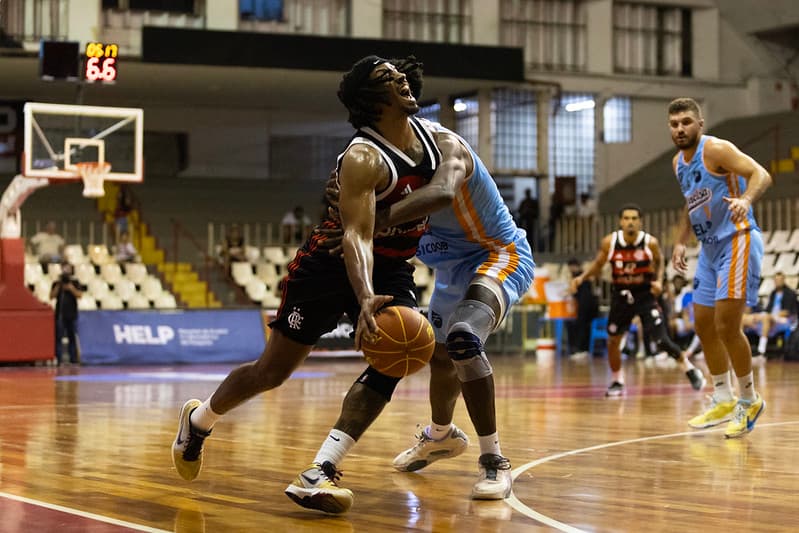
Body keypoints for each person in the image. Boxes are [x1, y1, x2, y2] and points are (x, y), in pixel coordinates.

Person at [172, 55, 436, 514]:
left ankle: (321, 469)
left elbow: (451, 189)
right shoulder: (363, 156)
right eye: (385, 77)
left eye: (398, 72)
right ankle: (199, 420)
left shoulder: (435, 141)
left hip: (393, 266)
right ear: (373, 99)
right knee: (271, 373)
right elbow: (355, 236)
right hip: (327, 266)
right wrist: (364, 294)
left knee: (397, 355)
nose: (399, 77)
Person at [668, 97, 772, 438]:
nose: (680, 129)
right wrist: (680, 241)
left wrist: (746, 199)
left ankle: (749, 399)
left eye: (686, 122)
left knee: (727, 325)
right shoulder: (678, 163)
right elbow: (690, 204)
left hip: (738, 239)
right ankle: (723, 397)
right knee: (702, 323)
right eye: (674, 124)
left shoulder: (716, 149)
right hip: (709, 249)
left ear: (700, 124)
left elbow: (761, 174)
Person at [570, 204, 706, 396]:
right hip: (621, 296)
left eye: (634, 218)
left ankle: (690, 369)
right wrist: (582, 278)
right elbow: (598, 264)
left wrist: (659, 280)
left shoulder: (650, 243)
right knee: (613, 340)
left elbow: (659, 262)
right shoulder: (610, 242)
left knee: (661, 340)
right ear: (620, 221)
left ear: (640, 222)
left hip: (645, 295)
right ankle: (617, 380)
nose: (630, 222)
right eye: (626, 218)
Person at [746, 272, 797, 364]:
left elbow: (787, 312)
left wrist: (771, 315)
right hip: (771, 318)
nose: (778, 282)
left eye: (780, 280)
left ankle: (761, 352)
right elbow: (768, 309)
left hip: (784, 320)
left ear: (783, 280)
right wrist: (761, 315)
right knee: (744, 318)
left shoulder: (790, 293)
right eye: (776, 280)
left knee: (766, 318)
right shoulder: (773, 293)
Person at [50, 262, 85, 365]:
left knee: (72, 337)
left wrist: (71, 288)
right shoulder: (57, 283)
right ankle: (59, 358)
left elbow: (79, 295)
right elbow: (51, 296)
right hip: (60, 314)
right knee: (59, 337)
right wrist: (59, 287)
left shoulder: (75, 282)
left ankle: (73, 359)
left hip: (72, 314)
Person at [566, 258, 599, 359]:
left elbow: (574, 291)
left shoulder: (577, 277)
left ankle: (581, 349)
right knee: (584, 327)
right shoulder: (584, 275)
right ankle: (583, 349)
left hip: (585, 305)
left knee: (581, 327)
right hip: (589, 305)